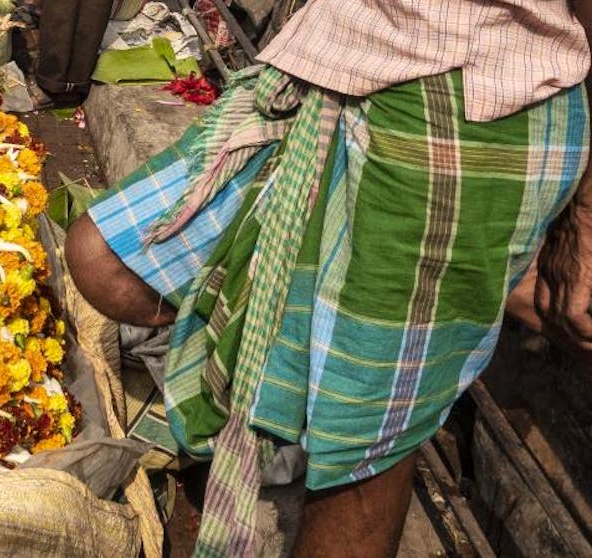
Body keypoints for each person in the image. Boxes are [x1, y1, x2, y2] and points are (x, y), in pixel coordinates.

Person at [65, 1, 592, 556]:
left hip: (464, 99)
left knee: (360, 455)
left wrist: (583, 219)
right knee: (104, 259)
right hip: (332, 55)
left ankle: (408, 376)